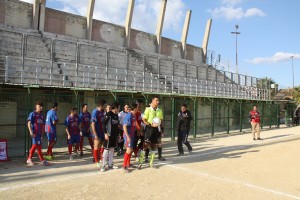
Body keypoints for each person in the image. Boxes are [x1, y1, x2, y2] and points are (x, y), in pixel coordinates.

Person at [139, 96, 164, 168]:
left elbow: (161, 121)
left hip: (157, 129)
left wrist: (162, 130)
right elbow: (144, 119)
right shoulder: (148, 110)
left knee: (154, 146)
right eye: (156, 100)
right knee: (145, 145)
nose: (158, 102)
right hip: (149, 128)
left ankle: (151, 163)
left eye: (158, 100)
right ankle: (140, 162)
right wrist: (150, 124)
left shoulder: (160, 110)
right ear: (152, 101)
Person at [27, 101, 49, 166]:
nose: (41, 108)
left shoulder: (41, 115)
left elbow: (42, 125)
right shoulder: (33, 114)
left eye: (42, 106)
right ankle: (39, 160)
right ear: (36, 106)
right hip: (34, 133)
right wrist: (31, 132)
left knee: (36, 146)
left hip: (39, 134)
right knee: (36, 146)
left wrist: (42, 134)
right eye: (39, 106)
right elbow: (29, 123)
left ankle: (31, 159)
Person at [101, 102, 120, 172]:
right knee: (106, 149)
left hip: (114, 135)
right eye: (119, 107)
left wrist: (118, 134)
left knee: (112, 149)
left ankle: (110, 164)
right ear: (116, 107)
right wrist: (105, 133)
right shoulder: (109, 114)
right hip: (108, 135)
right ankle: (103, 165)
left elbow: (116, 125)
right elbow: (103, 124)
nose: (119, 109)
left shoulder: (116, 115)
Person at [122, 103, 138, 173]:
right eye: (137, 108)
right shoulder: (129, 115)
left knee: (130, 150)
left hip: (132, 135)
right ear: (134, 108)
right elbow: (124, 126)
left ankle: (128, 164)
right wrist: (128, 137)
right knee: (128, 150)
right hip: (128, 136)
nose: (138, 109)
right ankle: (124, 166)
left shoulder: (133, 115)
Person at [91, 99, 106, 168]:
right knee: (96, 146)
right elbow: (93, 124)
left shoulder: (102, 112)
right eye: (104, 105)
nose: (104, 106)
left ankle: (100, 159)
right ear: (100, 105)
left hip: (102, 132)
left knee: (102, 146)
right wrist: (95, 134)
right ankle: (96, 161)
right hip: (97, 132)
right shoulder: (95, 112)